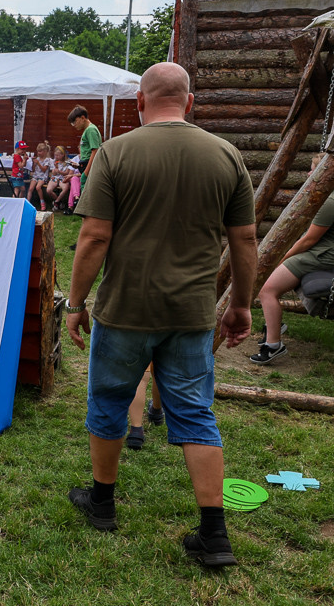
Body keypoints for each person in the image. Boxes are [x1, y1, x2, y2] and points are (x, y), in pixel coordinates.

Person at [65, 62, 257, 568]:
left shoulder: (114, 152)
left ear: (139, 103)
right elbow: (244, 239)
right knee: (195, 413)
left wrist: (76, 302)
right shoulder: (226, 155)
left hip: (124, 311)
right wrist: (239, 304)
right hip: (191, 314)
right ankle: (214, 535)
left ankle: (102, 504)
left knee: (108, 402)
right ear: (189, 102)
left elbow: (94, 237)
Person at [253, 154, 334, 364]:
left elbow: (309, 240)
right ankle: (274, 324)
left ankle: (274, 346)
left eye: (313, 170)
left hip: (323, 255)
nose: (309, 174)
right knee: (269, 283)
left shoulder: (331, 201)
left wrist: (283, 257)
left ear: (327, 173)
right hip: (322, 251)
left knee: (267, 289)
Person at [70, 106, 102, 191]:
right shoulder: (87, 130)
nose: (74, 125)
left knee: (87, 197)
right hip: (85, 166)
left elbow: (95, 151)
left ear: (83, 118)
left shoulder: (91, 130)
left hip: (90, 169)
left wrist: (86, 173)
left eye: (75, 121)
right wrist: (78, 166)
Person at [27, 142, 53, 211]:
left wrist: (38, 163)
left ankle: (42, 202)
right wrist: (33, 164)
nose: (38, 153)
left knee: (38, 187)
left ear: (45, 152)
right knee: (30, 189)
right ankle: (27, 203)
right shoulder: (37, 159)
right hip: (36, 176)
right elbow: (33, 170)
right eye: (38, 151)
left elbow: (44, 170)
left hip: (43, 176)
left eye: (40, 151)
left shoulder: (47, 160)